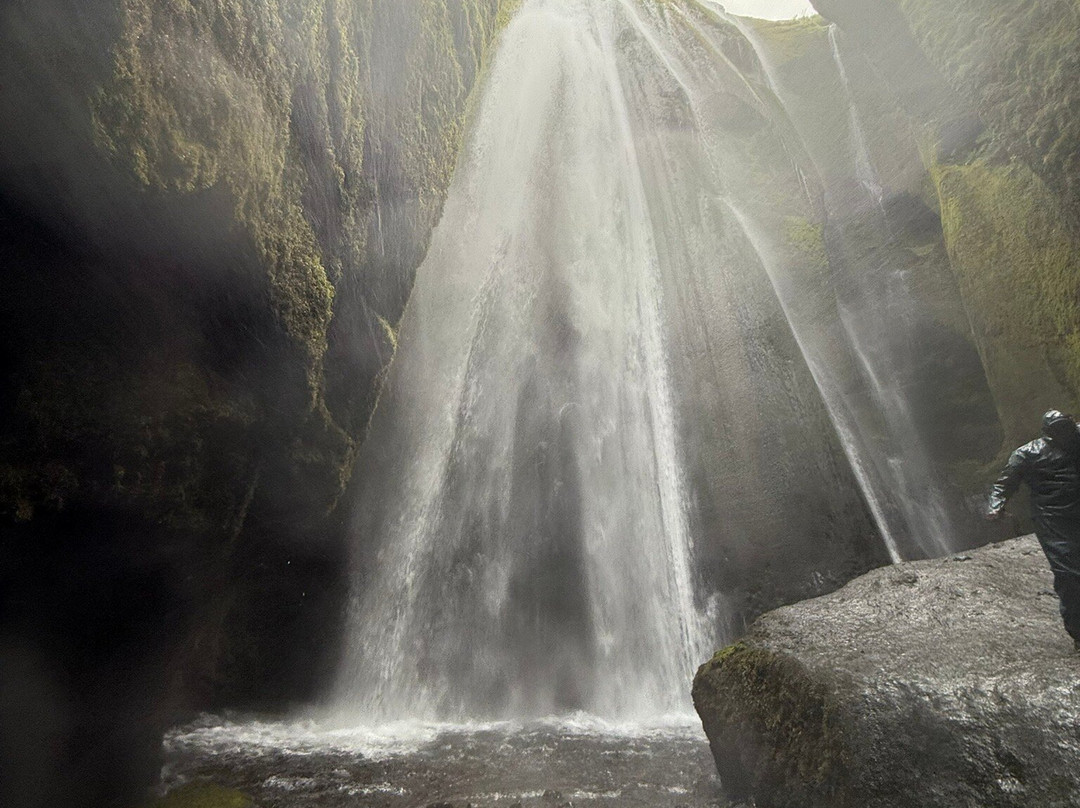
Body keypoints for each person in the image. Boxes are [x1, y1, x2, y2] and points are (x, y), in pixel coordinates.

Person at [988, 410, 1080, 645]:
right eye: (1059, 430)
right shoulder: (1027, 453)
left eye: (1067, 428)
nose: (1065, 434)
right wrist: (996, 505)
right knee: (1068, 574)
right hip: (1053, 519)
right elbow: (1006, 481)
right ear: (1049, 434)